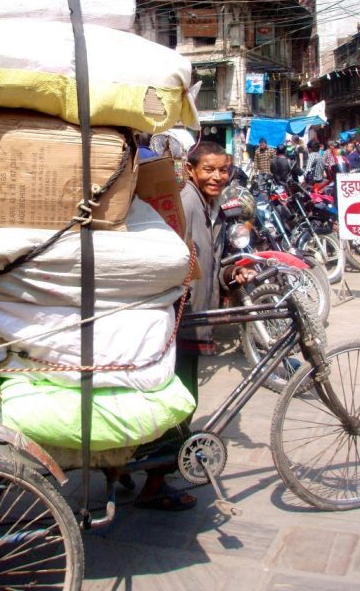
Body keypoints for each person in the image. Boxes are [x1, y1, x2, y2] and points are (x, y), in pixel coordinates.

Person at [134, 141, 252, 511]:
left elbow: (210, 262)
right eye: (209, 170)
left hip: (194, 314)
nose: (217, 177)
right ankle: (155, 483)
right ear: (191, 169)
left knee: (174, 400)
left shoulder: (208, 205)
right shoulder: (186, 203)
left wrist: (232, 274)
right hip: (181, 319)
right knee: (182, 403)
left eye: (223, 170)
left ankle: (135, 468)